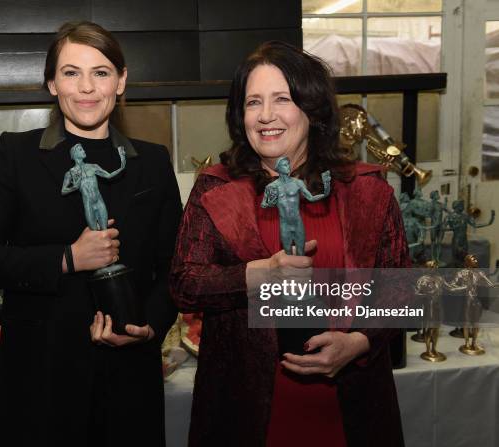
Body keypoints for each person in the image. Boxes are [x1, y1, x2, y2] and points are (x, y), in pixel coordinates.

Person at [0, 21, 182, 447]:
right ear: (52, 84)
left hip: (130, 378)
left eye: (101, 72)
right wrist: (66, 258)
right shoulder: (16, 155)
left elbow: (176, 266)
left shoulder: (152, 161)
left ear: (122, 80)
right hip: (43, 379)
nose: (87, 88)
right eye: (71, 73)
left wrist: (148, 325)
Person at [170, 41, 409, 447]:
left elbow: (402, 288)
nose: (265, 116)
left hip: (351, 410)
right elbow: (183, 283)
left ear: (312, 110)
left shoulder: (367, 190)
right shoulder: (217, 188)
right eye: (253, 102)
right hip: (243, 413)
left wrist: (360, 341)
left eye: (282, 99)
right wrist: (255, 274)